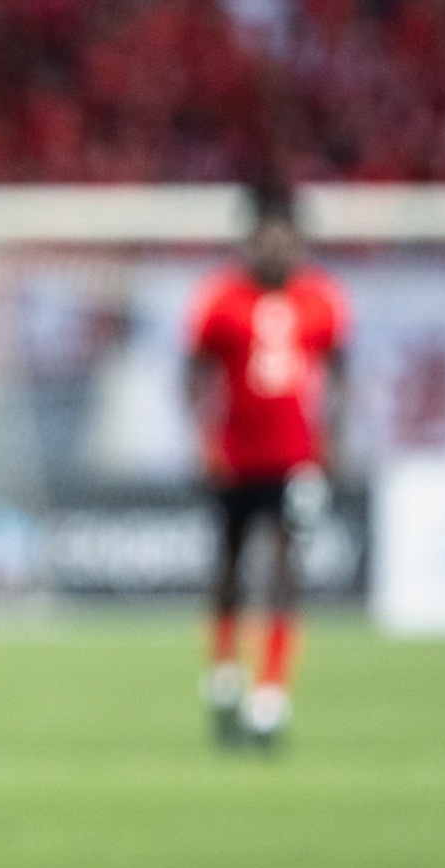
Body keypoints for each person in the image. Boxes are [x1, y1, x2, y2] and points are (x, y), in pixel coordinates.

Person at [188, 182, 349, 748]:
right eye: (268, 236)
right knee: (229, 565)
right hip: (234, 457)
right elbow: (195, 372)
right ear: (251, 239)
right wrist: (203, 441)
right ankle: (225, 674)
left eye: (288, 236)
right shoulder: (221, 299)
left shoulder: (322, 299)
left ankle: (271, 697)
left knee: (285, 570)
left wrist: (335, 446)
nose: (278, 247)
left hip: (295, 458)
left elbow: (340, 377)